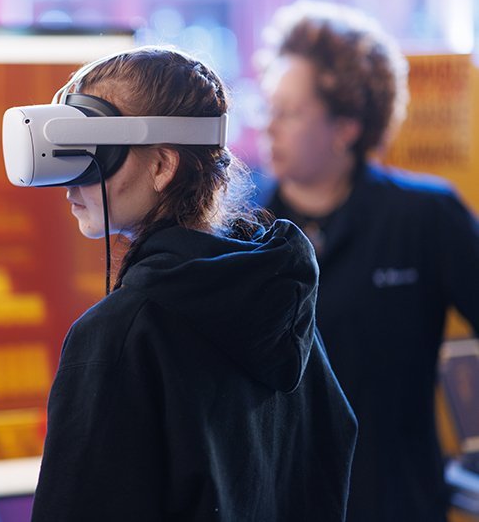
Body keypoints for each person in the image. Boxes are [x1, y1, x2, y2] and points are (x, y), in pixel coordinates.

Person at [22, 46, 357, 521]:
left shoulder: (121, 334)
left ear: (162, 166)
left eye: (96, 153)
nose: (72, 181)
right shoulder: (281, 303)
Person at [256, 0, 479, 522]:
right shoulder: (243, 230)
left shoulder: (426, 216)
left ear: (347, 126)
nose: (268, 127)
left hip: (396, 503)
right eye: (267, 107)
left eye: (288, 112)